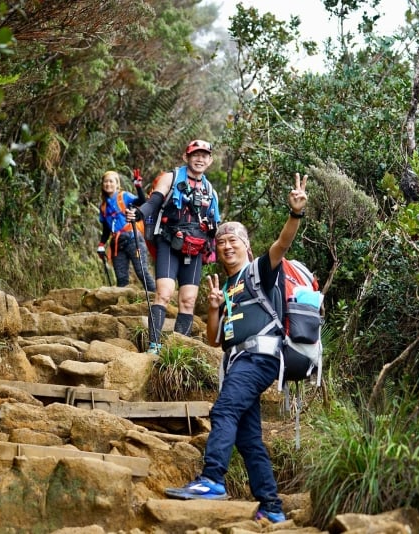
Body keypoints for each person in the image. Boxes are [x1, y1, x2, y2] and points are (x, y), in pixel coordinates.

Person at [163, 173, 309, 525]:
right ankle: (271, 507)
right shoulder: (226, 286)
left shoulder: (260, 270)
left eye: (234, 240)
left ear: (247, 245)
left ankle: (212, 479)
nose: (227, 246)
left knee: (223, 411)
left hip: (260, 357)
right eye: (223, 241)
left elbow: (282, 244)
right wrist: (214, 307)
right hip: (238, 358)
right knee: (248, 439)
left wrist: (295, 214)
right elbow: (214, 340)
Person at [126, 140, 220, 354]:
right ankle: (154, 345)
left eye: (204, 155)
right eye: (195, 154)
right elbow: (155, 201)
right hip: (169, 242)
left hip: (195, 249)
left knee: (188, 300)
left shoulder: (210, 190)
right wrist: (140, 213)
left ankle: (177, 350)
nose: (200, 159)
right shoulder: (171, 177)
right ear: (186, 157)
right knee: (165, 294)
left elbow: (215, 224)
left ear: (210, 160)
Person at [97, 170, 156, 291]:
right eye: (105, 181)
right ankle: (123, 305)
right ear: (102, 185)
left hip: (133, 239)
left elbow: (142, 202)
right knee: (121, 278)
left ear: (117, 184)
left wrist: (138, 186)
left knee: (141, 272)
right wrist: (101, 244)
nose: (108, 184)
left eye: (111, 181)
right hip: (117, 244)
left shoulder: (123, 196)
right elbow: (106, 230)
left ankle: (157, 298)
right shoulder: (103, 206)